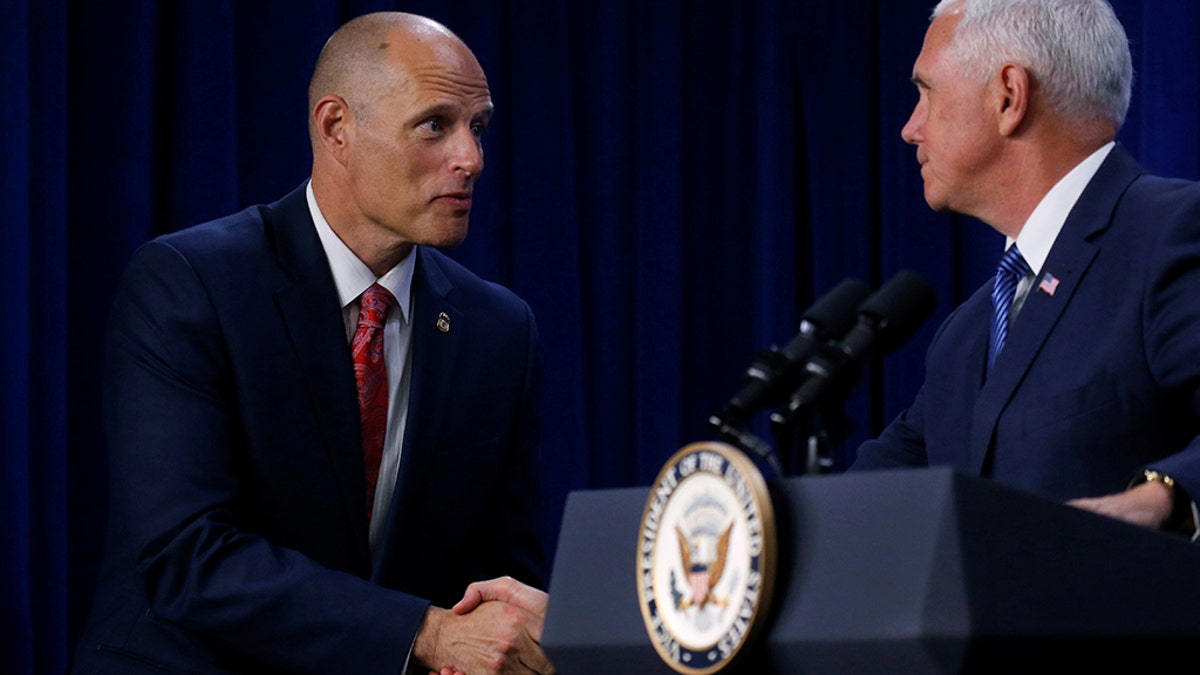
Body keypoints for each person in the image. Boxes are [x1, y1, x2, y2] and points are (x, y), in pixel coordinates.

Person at [71, 12, 555, 674]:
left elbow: (499, 572)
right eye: (434, 125)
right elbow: (189, 555)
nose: (470, 157)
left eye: (479, 127)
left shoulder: (500, 329)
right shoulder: (190, 284)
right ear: (336, 129)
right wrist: (424, 631)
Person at [851, 0, 1200, 538]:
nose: (909, 128)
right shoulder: (967, 336)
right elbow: (868, 501)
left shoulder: (1171, 232)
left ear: (1009, 96)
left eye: (927, 92)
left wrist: (1163, 497)